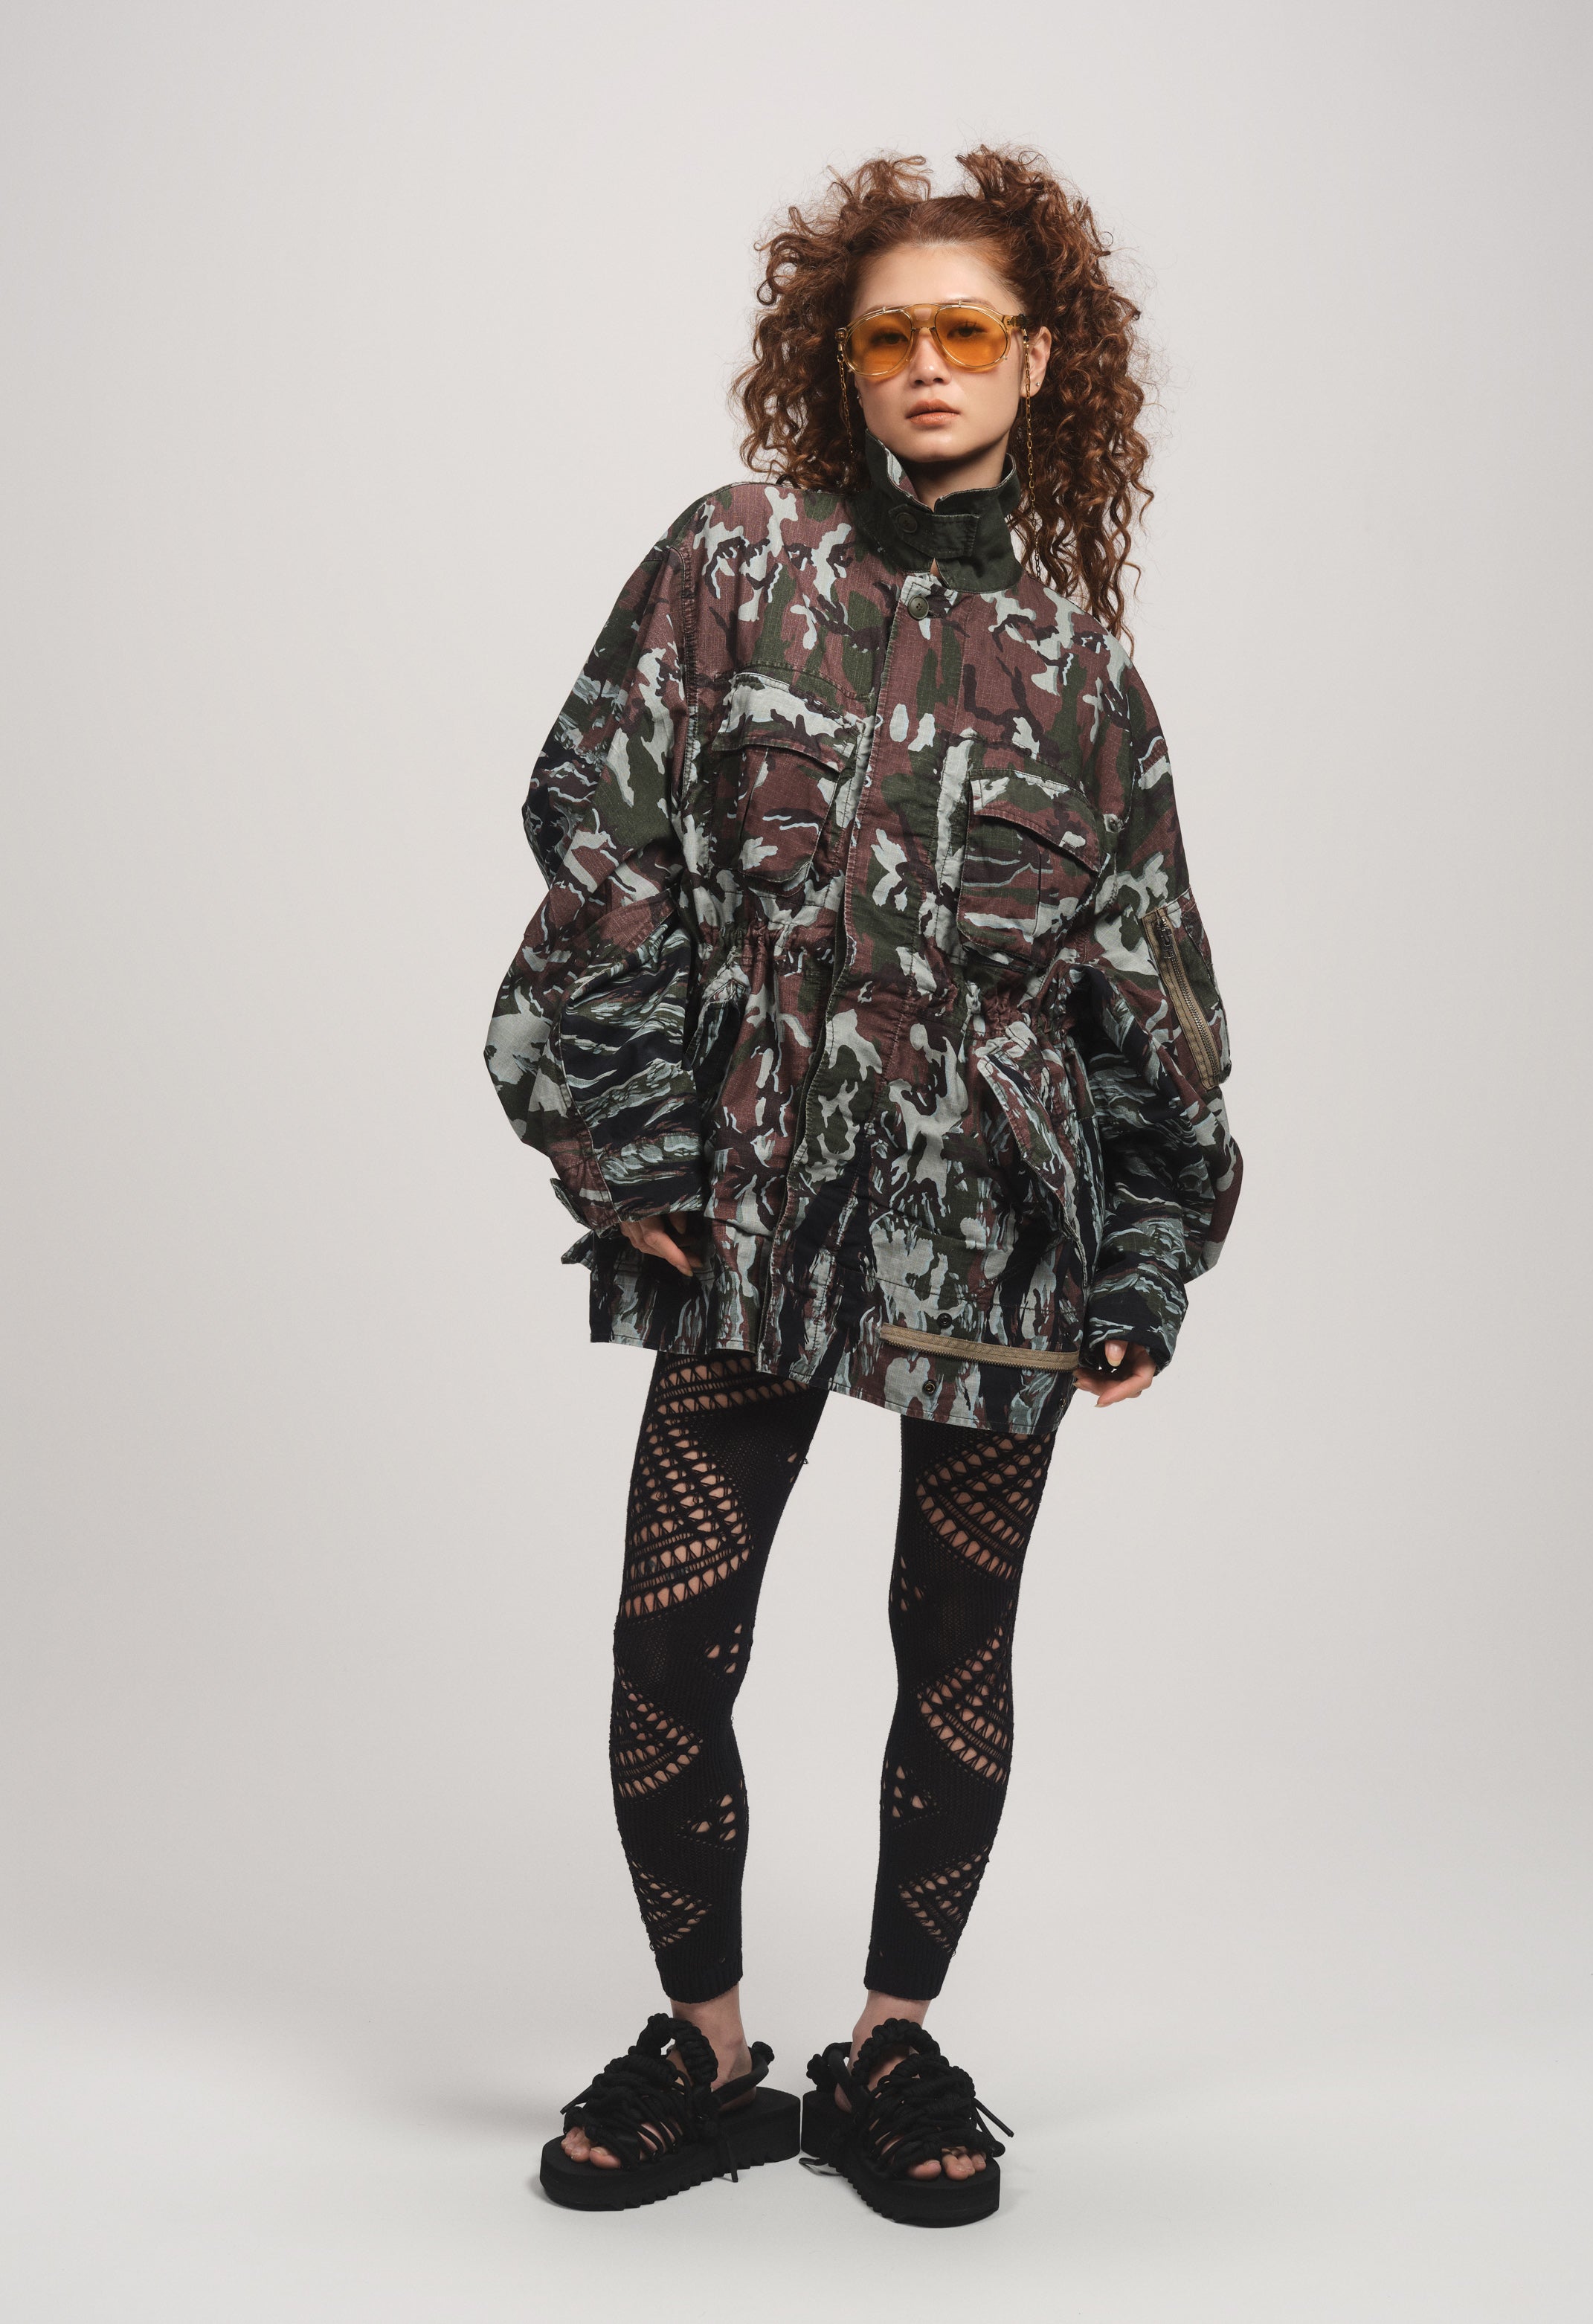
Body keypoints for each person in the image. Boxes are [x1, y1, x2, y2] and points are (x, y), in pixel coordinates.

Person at [484, 147, 1240, 2226]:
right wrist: (627, 1140)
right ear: (840, 359)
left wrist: (1145, 1256)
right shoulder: (735, 561)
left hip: (996, 1240)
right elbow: (599, 832)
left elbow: (1151, 991)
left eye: (965, 329)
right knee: (669, 1646)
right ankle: (709, 2056)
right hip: (750, 1216)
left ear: (1038, 360)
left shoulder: (1084, 678)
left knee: (954, 1653)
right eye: (888, 331)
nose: (926, 362)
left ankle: (891, 2048)